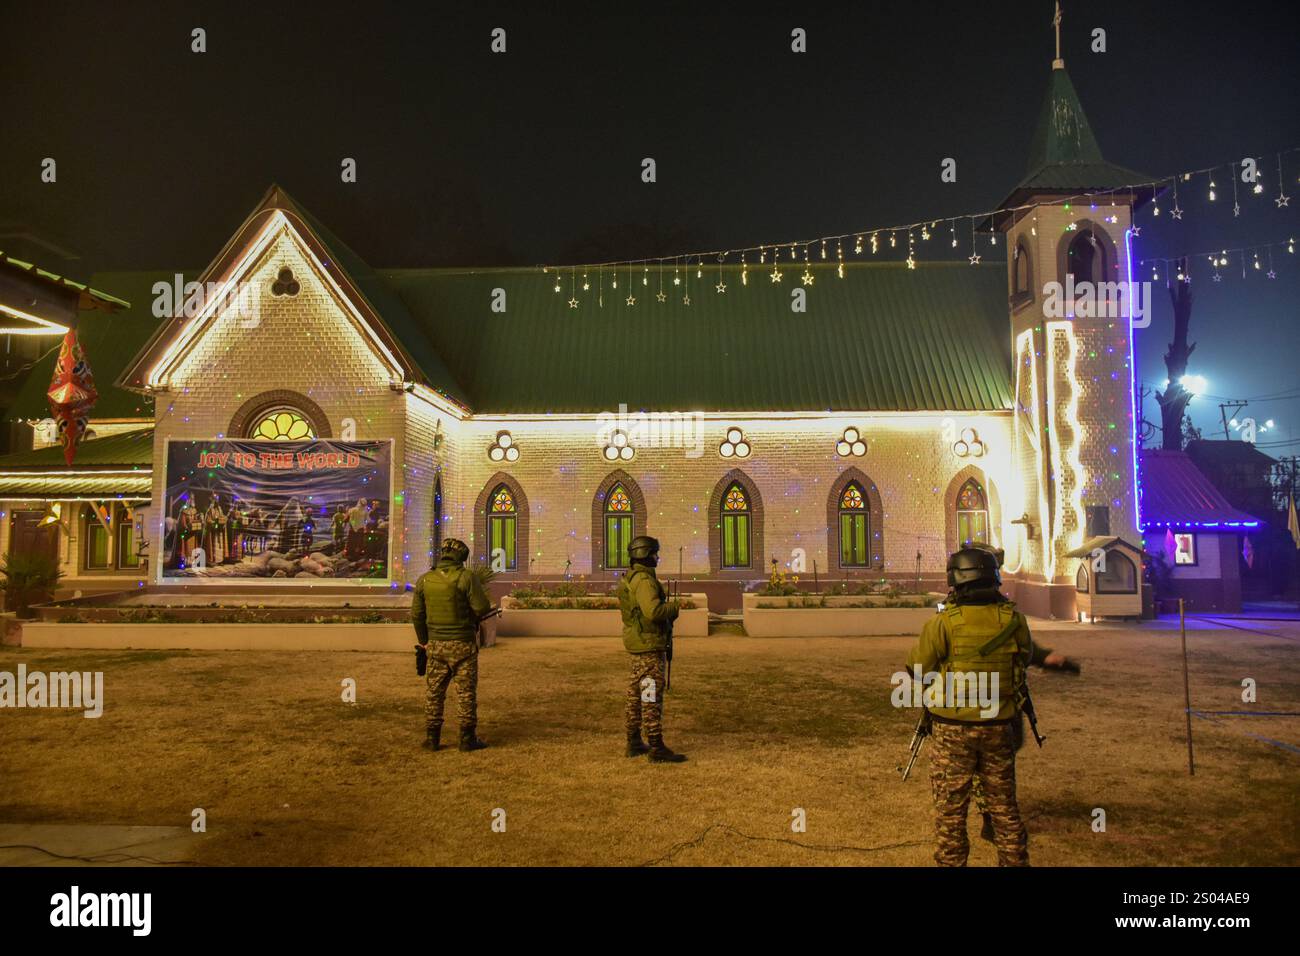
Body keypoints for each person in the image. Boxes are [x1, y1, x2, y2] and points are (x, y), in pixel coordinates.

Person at [905, 546, 1040, 866]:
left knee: (951, 813)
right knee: (1004, 808)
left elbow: (917, 669)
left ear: (955, 580)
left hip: (952, 729)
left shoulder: (944, 623)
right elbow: (1024, 660)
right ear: (994, 578)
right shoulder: (1014, 620)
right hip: (998, 725)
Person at [411, 537, 491, 752]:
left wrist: (424, 641)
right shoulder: (467, 578)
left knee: (434, 692)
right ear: (461, 558)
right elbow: (482, 608)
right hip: (463, 644)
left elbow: (417, 614)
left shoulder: (424, 580)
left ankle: (432, 738)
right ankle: (467, 738)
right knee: (465, 693)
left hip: (436, 646)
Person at [617, 535, 685, 762]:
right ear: (645, 554)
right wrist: (673, 608)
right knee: (650, 694)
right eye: (655, 553)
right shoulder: (644, 581)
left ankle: (634, 741)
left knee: (635, 695)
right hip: (648, 645)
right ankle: (656, 747)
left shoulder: (632, 577)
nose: (657, 557)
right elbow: (653, 611)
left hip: (639, 643)